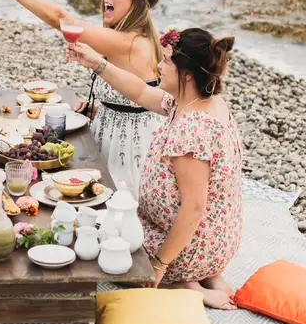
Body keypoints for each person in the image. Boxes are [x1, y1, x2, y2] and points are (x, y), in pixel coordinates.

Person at [68, 28, 242, 309]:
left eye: (166, 62)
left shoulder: (191, 130)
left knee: (101, 242)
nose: (158, 66)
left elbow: (194, 207)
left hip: (189, 245)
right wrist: (96, 62)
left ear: (186, 74)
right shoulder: (201, 103)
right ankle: (207, 276)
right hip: (214, 238)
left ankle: (185, 285)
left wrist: (158, 266)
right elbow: (139, 90)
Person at [0, 0, 164, 189]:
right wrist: (101, 109)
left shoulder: (130, 42)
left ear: (138, 4)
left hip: (127, 149)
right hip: (111, 135)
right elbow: (134, 100)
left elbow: (61, 20)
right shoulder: (131, 39)